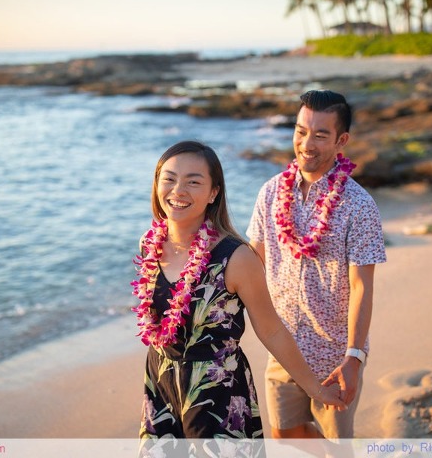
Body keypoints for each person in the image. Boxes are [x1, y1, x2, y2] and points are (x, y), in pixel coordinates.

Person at [133, 140, 344, 442]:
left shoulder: (236, 258)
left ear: (213, 193)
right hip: (161, 386)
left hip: (217, 393)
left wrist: (316, 389)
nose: (178, 190)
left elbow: (271, 330)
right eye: (169, 178)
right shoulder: (149, 245)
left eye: (194, 182)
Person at [247, 89, 387, 440]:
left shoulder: (360, 205)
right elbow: (251, 264)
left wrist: (353, 358)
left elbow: (361, 287)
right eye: (300, 131)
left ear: (342, 140)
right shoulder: (270, 193)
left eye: (320, 135)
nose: (306, 143)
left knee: (338, 444)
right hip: (282, 348)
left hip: (334, 357)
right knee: (284, 437)